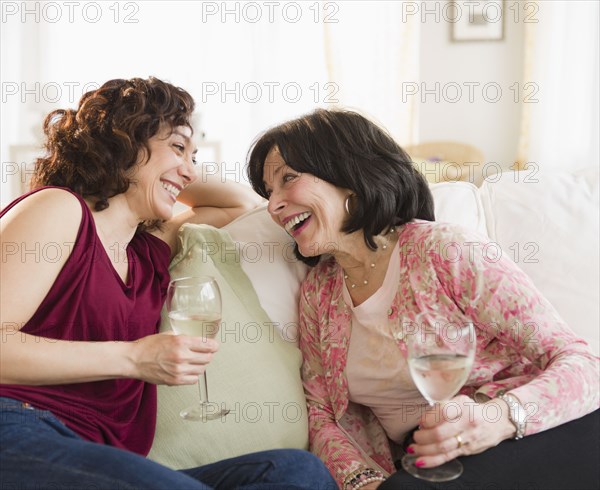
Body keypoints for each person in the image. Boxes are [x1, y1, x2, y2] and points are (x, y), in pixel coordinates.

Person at [0, 77, 337, 490]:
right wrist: (133, 359)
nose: (191, 169)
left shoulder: (148, 253)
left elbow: (239, 204)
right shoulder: (58, 207)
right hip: (18, 428)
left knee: (297, 472)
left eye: (194, 156)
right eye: (177, 146)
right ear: (124, 142)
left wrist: (173, 168)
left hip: (104, 458)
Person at [247, 108, 600, 490]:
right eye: (269, 192)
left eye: (288, 179)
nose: (273, 205)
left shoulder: (445, 250)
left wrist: (498, 419)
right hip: (431, 460)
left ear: (348, 174)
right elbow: (320, 412)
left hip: (527, 429)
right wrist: (361, 481)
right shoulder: (320, 292)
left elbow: (584, 365)